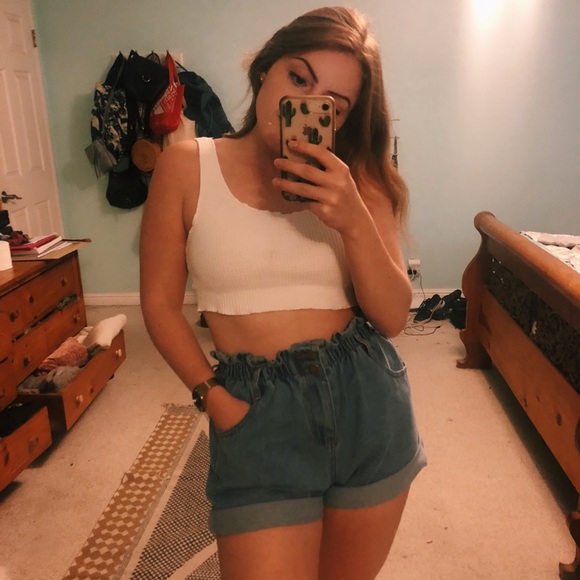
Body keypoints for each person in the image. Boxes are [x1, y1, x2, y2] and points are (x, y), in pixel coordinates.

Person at [140, 6, 426, 579]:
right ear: (264, 68)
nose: (306, 103)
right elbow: (159, 305)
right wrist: (215, 399)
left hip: (367, 403)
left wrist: (353, 219)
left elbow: (393, 318)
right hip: (257, 411)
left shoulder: (358, 179)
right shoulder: (186, 167)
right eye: (299, 78)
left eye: (333, 105)